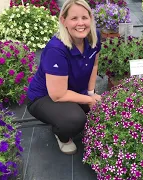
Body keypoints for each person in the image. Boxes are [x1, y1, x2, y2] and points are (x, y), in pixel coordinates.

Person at [26, 0, 102, 155]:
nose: (80, 23)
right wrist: (89, 100)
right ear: (63, 21)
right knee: (74, 120)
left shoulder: (93, 37)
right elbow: (58, 94)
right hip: (45, 97)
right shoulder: (57, 49)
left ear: (91, 18)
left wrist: (91, 93)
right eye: (74, 18)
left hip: (71, 89)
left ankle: (75, 109)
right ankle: (62, 136)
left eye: (84, 17)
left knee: (98, 108)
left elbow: (94, 65)